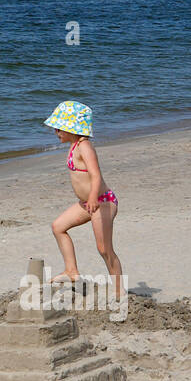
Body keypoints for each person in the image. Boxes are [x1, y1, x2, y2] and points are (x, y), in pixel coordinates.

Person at [43, 101, 123, 299]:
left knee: (104, 249)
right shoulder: (73, 145)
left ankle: (119, 289)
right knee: (58, 226)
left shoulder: (85, 146)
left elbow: (95, 175)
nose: (56, 132)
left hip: (102, 201)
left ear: (72, 129)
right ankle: (71, 270)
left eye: (60, 128)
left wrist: (94, 198)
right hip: (87, 203)